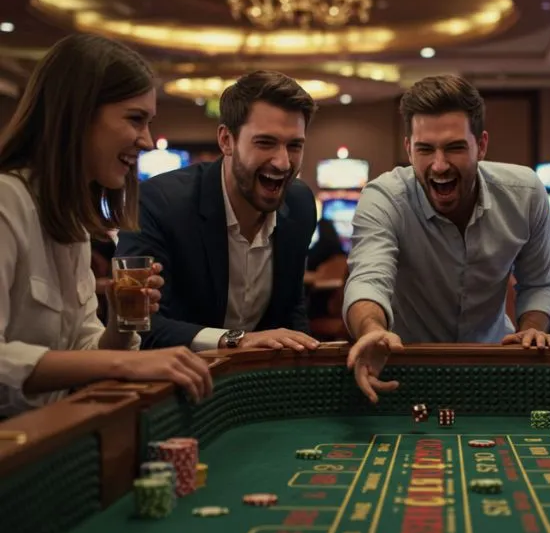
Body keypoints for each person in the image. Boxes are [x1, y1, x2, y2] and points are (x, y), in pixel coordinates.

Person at [0, 34, 213, 418]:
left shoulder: (71, 221)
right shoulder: (6, 200)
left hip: (51, 437)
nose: (147, 142)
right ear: (78, 114)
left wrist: (118, 325)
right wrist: (129, 363)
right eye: (135, 119)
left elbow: (81, 355)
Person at [343, 75, 550, 403]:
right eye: (425, 149)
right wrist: (373, 330)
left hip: (494, 368)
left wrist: (531, 328)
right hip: (406, 368)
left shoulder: (526, 193)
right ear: (409, 149)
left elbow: (538, 284)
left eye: (455, 148)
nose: (440, 164)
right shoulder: (384, 197)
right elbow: (368, 280)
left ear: (482, 145)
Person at [116, 71, 320, 353]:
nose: (283, 163)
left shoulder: (300, 205)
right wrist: (236, 339)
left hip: (258, 384)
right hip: (177, 383)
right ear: (226, 140)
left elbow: (290, 309)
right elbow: (140, 326)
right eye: (265, 143)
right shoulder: (160, 203)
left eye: (294, 145)